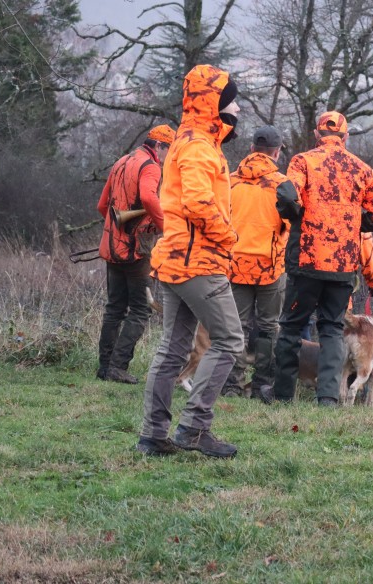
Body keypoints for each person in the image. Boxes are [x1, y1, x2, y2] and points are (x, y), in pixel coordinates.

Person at [135, 64, 244, 458]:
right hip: (197, 262)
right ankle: (194, 428)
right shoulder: (198, 146)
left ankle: (153, 435)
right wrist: (229, 237)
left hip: (176, 260)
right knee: (230, 340)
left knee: (172, 351)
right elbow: (198, 202)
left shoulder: (191, 140)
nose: (238, 112)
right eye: (233, 103)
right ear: (215, 105)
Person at [272, 111, 373, 406]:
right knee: (330, 329)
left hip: (306, 260)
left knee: (291, 327)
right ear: (346, 137)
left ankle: (282, 396)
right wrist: (354, 225)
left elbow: (288, 194)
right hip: (343, 267)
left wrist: (298, 218)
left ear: (316, 135)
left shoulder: (302, 161)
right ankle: (327, 398)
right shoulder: (361, 169)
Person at [95, 124, 175, 384]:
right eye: (169, 151)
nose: (168, 158)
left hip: (111, 247)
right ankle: (118, 367)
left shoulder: (122, 161)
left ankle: (105, 367)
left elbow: (102, 206)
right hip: (135, 251)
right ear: (160, 146)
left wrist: (117, 228)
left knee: (114, 308)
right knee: (141, 310)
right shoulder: (150, 166)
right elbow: (149, 199)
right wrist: (167, 229)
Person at [221, 126, 291, 400]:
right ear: (276, 153)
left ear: (251, 149)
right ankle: (263, 384)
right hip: (271, 267)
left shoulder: (229, 181)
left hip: (234, 264)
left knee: (235, 326)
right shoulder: (283, 185)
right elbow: (290, 223)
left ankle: (231, 386)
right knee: (269, 327)